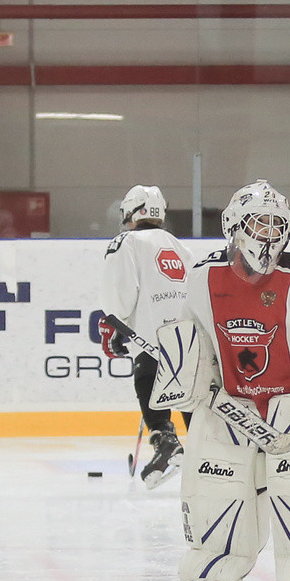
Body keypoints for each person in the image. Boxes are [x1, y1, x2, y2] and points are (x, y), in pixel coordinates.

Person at [149, 180, 290, 581]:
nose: (268, 233)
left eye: (276, 224)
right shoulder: (202, 278)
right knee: (216, 486)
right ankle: (218, 559)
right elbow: (193, 340)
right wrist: (188, 376)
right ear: (234, 224)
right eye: (259, 222)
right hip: (231, 404)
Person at [100, 183, 191, 486]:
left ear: (130, 211)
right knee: (192, 398)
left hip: (152, 340)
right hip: (189, 338)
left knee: (149, 378)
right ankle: (208, 453)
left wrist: (115, 327)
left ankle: (165, 440)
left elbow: (120, 296)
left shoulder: (126, 242)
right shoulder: (182, 248)